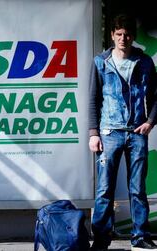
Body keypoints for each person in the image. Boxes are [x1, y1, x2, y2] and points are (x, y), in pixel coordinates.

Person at [89, 14, 157, 250]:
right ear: (112, 35)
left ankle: (140, 238)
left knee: (138, 188)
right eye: (118, 34)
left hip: (137, 134)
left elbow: (155, 98)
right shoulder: (101, 62)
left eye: (127, 34)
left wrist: (150, 121)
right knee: (104, 189)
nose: (123, 38)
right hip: (109, 133)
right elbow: (93, 99)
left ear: (133, 36)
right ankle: (100, 239)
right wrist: (93, 133)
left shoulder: (145, 62)